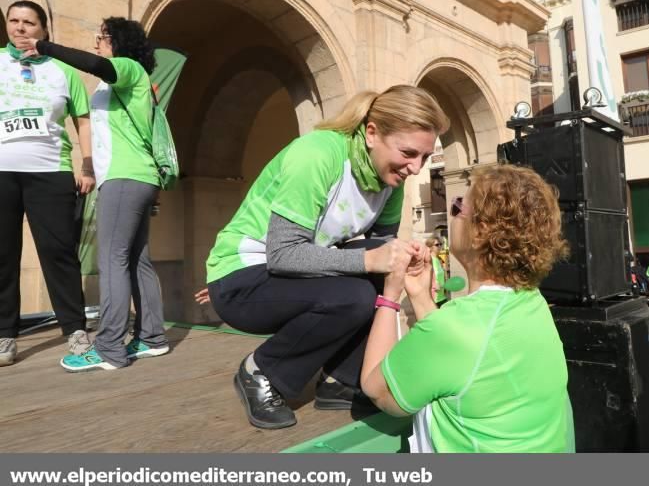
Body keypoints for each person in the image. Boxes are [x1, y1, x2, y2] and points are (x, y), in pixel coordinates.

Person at [198, 85, 448, 430]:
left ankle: (340, 379)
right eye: (408, 152)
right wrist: (370, 262)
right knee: (355, 294)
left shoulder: (392, 179)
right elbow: (283, 254)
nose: (416, 168)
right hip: (241, 279)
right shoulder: (318, 154)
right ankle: (261, 372)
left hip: (293, 274)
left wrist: (408, 256)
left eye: (423, 156)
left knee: (384, 267)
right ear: (372, 133)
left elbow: (382, 251)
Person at [361, 165, 575, 453]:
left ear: (480, 232)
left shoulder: (457, 329)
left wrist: (389, 294)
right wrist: (421, 296)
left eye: (458, 205)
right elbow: (464, 361)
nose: (454, 212)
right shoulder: (532, 302)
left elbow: (378, 390)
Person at [17, 17, 170, 372]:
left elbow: (96, 64)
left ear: (117, 41)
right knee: (136, 259)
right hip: (138, 178)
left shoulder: (127, 67)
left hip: (124, 177)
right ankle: (152, 337)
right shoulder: (132, 80)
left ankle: (109, 348)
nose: (96, 42)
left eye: (101, 37)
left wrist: (45, 47)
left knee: (113, 259)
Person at [0, 0, 94, 366]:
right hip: (3, 172)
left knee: (59, 252)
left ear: (44, 29)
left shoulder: (63, 71)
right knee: (3, 255)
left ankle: (75, 330)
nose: (20, 27)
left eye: (29, 22)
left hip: (50, 171)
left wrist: (87, 166)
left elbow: (83, 122)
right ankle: (6, 335)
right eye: (14, 21)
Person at [425, 235, 448, 305]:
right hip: (433, 298)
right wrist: (433, 285)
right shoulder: (428, 260)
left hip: (442, 296)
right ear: (430, 247)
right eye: (437, 245)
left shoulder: (439, 260)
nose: (440, 246)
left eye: (441, 244)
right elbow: (425, 276)